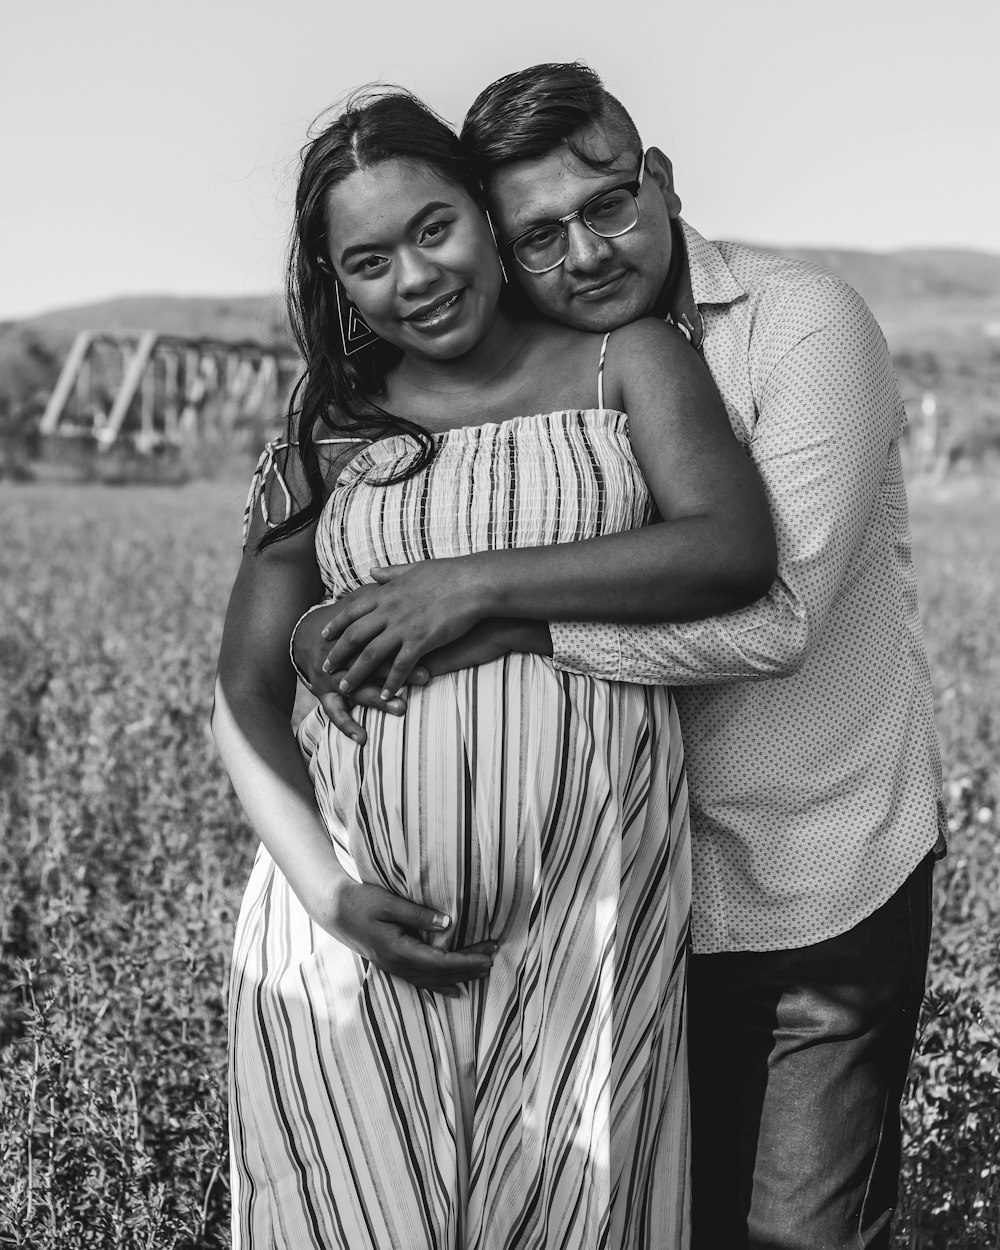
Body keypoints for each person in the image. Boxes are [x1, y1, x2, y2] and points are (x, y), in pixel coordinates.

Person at [293, 64, 946, 1250]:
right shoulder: (553, 362)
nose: (583, 254)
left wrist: (498, 616)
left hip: (814, 878)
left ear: (660, 179)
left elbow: (777, 616)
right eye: (538, 235)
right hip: (617, 904)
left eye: (606, 207)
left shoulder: (802, 322)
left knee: (796, 1232)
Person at [213, 87, 775, 1249]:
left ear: (482, 209)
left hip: (590, 921)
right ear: (335, 284)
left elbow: (726, 546)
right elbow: (246, 691)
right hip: (348, 948)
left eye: (433, 229)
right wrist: (329, 894)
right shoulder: (331, 417)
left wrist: (468, 583)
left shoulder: (626, 360)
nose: (414, 278)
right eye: (367, 261)